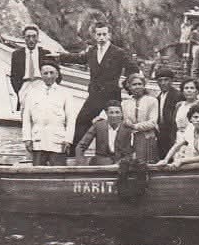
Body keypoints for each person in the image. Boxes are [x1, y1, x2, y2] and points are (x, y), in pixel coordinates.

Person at [55, 22, 138, 150]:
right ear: (94, 35)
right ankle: (75, 152)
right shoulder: (92, 51)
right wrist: (60, 57)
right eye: (99, 34)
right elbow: (79, 58)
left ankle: (122, 152)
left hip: (111, 95)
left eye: (104, 34)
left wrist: (125, 84)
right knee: (82, 121)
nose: (101, 37)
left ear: (109, 35)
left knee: (117, 123)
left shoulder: (119, 52)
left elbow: (133, 68)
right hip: (94, 95)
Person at [22, 62, 75, 166]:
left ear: (57, 74)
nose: (49, 76)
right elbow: (26, 119)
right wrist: (27, 138)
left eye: (52, 73)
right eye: (45, 73)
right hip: (38, 141)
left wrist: (68, 140)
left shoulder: (65, 93)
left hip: (58, 141)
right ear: (41, 75)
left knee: (59, 172)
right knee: (37, 172)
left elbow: (71, 119)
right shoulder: (32, 93)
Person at [158, 103, 199, 168]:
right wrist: (166, 160)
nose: (198, 120)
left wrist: (182, 160)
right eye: (195, 117)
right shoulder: (190, 127)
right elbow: (177, 145)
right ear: (190, 119)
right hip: (198, 164)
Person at [75, 100, 134, 165]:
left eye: (117, 112)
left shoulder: (127, 128)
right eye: (111, 112)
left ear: (121, 113)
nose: (114, 115)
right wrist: (81, 163)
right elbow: (81, 146)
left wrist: (125, 162)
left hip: (122, 165)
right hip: (101, 164)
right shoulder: (98, 125)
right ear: (106, 113)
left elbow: (133, 149)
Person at [120, 73, 159, 163]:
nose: (137, 87)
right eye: (134, 84)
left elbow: (152, 122)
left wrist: (134, 126)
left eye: (139, 84)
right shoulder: (125, 103)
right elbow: (123, 120)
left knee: (144, 164)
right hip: (130, 139)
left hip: (147, 138)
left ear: (144, 86)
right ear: (129, 87)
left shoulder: (152, 101)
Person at [10, 25, 48, 111]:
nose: (31, 40)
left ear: (38, 38)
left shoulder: (45, 54)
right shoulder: (17, 54)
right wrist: (19, 90)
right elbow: (13, 76)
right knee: (25, 112)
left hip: (41, 84)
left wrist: (48, 88)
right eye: (28, 37)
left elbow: (57, 74)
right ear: (24, 38)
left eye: (34, 37)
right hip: (25, 85)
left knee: (42, 111)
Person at [154, 66, 183, 159]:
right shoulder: (158, 97)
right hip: (162, 133)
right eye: (160, 80)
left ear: (171, 81)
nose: (163, 83)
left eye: (166, 80)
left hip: (173, 133)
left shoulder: (178, 95)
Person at [174, 78, 199, 142]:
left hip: (194, 139)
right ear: (182, 91)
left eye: (192, 88)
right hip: (179, 138)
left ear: (197, 91)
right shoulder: (179, 105)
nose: (189, 90)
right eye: (186, 88)